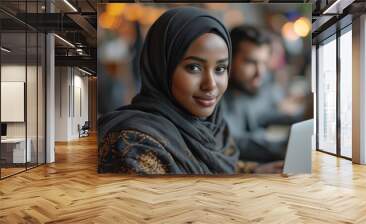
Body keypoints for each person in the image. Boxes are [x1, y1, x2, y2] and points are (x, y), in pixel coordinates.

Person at [98, 7, 239, 175]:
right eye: (194, 67)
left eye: (220, 68)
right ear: (162, 67)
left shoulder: (215, 126)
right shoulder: (135, 144)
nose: (211, 85)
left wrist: (256, 170)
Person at [221, 25, 303, 165]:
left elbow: (261, 117)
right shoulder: (214, 97)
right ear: (228, 59)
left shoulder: (243, 91)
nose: (260, 73)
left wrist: (301, 117)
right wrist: (285, 148)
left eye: (264, 63)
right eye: (250, 62)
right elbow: (233, 142)